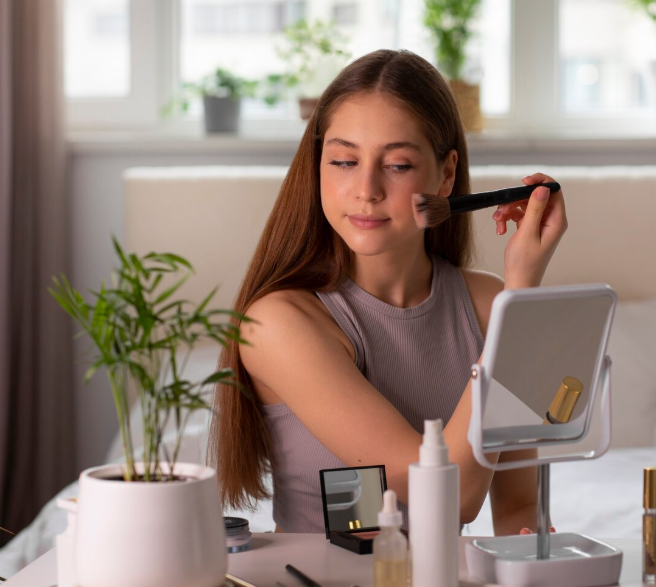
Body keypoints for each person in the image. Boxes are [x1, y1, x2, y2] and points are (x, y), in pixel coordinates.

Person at [208, 49, 567, 536]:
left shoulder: (488, 307)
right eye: (342, 160)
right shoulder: (277, 323)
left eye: (397, 165)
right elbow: (448, 495)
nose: (366, 189)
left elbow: (520, 508)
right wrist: (521, 295)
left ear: (446, 174)